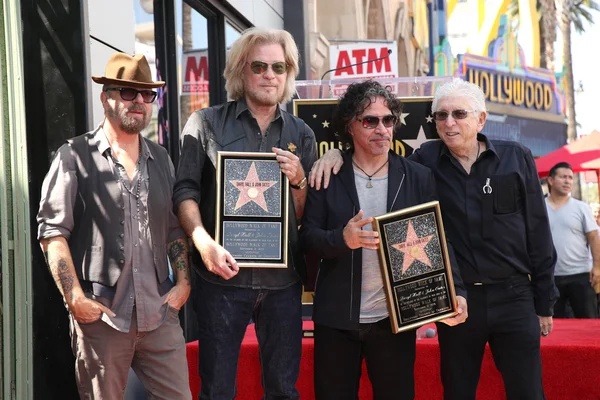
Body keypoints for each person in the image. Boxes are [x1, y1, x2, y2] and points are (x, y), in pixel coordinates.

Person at [309, 78, 558, 400]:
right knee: (457, 390)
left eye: (459, 114)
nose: (449, 123)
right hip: (446, 302)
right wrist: (333, 157)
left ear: (480, 119)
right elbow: (372, 167)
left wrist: (545, 300)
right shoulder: (424, 163)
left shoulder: (513, 158)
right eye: (441, 115)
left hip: (510, 296)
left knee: (528, 391)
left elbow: (537, 230)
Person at [299, 80, 467, 400]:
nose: (382, 129)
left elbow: (439, 238)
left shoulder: (417, 176)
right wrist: (341, 238)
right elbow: (306, 240)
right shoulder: (327, 175)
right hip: (337, 319)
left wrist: (455, 290)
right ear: (350, 126)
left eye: (388, 120)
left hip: (394, 320)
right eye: (370, 120)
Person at [37, 53, 192, 399]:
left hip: (159, 315)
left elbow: (172, 229)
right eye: (127, 92)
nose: (138, 101)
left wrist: (183, 282)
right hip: (103, 319)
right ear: (106, 96)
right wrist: (74, 297)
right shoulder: (73, 156)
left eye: (146, 94)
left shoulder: (162, 157)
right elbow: (52, 232)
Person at [173, 27, 317, 400]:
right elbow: (184, 191)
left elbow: (305, 215)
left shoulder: (302, 134)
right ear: (241, 70)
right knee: (217, 390)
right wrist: (203, 243)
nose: (270, 74)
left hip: (283, 285)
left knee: (284, 390)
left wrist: (300, 181)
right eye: (259, 65)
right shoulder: (205, 124)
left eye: (279, 67)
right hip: (220, 281)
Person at [545, 162, 600, 318]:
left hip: (581, 275)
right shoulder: (540, 208)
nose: (568, 181)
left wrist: (597, 267)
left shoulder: (581, 207)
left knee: (589, 323)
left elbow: (594, 237)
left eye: (570, 178)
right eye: (563, 177)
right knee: (555, 328)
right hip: (550, 277)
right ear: (550, 180)